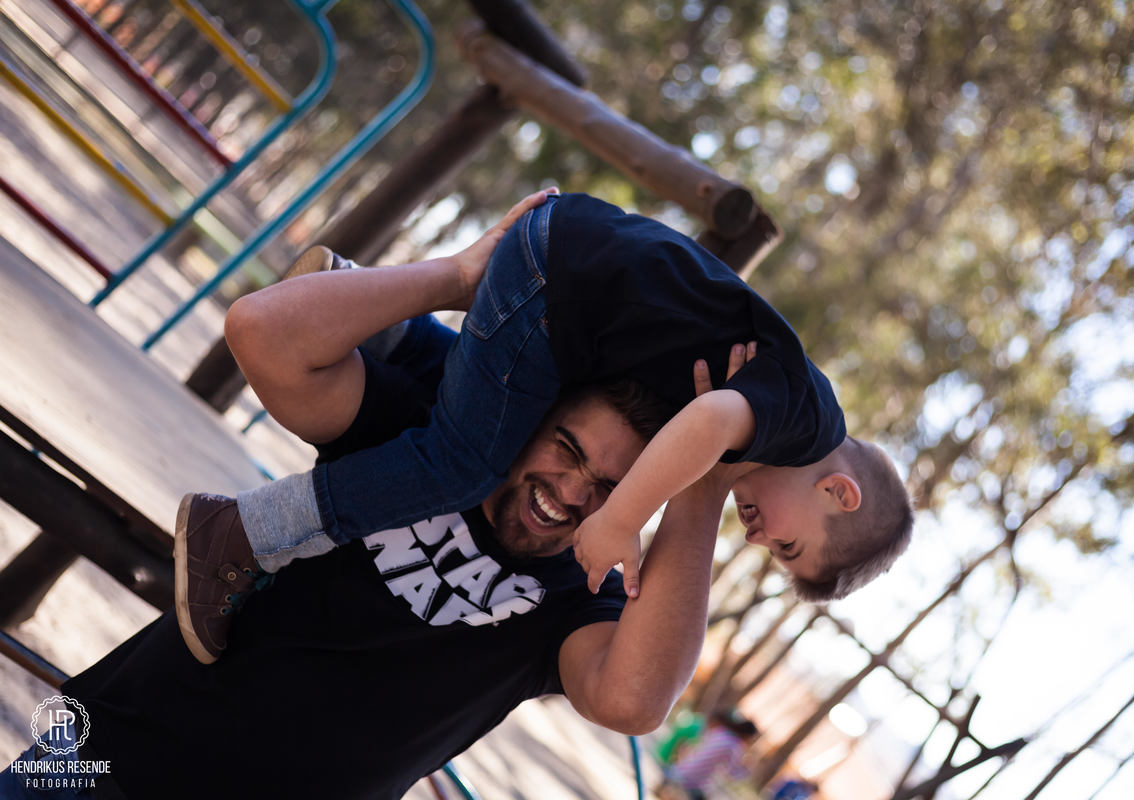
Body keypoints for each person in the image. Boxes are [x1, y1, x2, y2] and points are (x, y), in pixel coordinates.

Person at [1, 306, 751, 798]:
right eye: (566, 448)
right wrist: (458, 276)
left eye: (609, 486)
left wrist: (704, 476)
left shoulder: (577, 595)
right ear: (530, 419)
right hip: (112, 753)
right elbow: (271, 332)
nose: (572, 491)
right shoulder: (422, 437)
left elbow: (634, 702)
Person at [178, 190, 914, 664]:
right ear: (839, 494)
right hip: (559, 288)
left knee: (507, 411)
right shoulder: (808, 420)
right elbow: (713, 415)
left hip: (565, 260)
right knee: (465, 465)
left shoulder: (793, 399)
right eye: (787, 544)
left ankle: (372, 320)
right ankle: (245, 532)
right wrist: (623, 517)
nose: (756, 539)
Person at [658, 709, 758, 800]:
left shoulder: (721, 731)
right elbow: (732, 774)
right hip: (689, 782)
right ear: (747, 736)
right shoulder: (734, 745)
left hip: (678, 769)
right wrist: (747, 768)